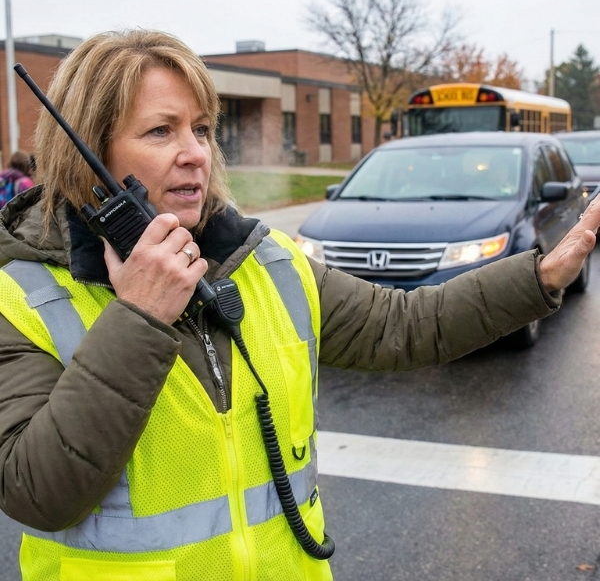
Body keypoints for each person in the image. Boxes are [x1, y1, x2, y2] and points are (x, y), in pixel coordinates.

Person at [0, 29, 596, 581]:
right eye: (161, 131)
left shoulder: (268, 262)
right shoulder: (22, 297)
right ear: (87, 153)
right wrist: (137, 317)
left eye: (202, 130)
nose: (195, 154)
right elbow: (39, 491)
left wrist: (539, 277)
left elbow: (405, 325)